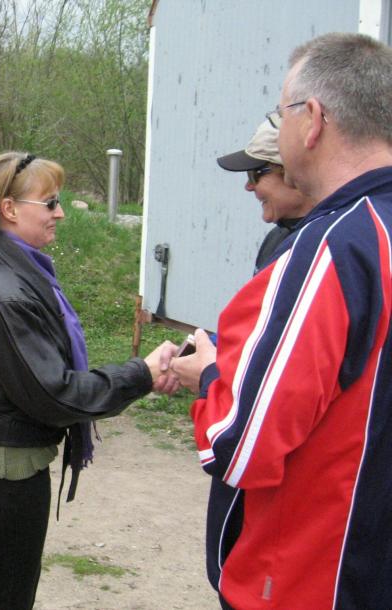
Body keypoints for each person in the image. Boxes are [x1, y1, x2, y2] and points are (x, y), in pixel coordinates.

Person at [172, 33, 392, 609]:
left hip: (317, 579)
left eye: (280, 112)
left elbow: (239, 445)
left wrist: (211, 376)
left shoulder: (335, 247)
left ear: (311, 120)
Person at [0, 151, 178, 610]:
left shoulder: (13, 270)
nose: (60, 213)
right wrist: (141, 374)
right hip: (1, 468)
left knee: (7, 591)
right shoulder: (3, 293)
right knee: (7, 598)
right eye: (50, 203)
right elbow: (55, 394)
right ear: (9, 209)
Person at [203, 118, 316, 591]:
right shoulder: (280, 237)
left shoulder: (319, 250)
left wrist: (208, 374)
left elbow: (282, 385)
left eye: (257, 174)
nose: (249, 187)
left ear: (293, 171)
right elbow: (262, 332)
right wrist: (210, 345)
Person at [216, 118, 315, 273]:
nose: (248, 186)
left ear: (291, 172)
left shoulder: (333, 243)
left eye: (254, 175)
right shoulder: (275, 239)